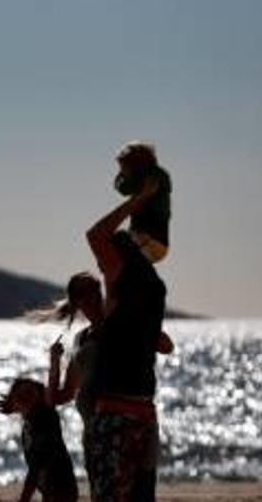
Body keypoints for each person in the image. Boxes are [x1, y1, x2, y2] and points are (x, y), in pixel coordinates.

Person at [78, 176, 168, 502]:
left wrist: (139, 199)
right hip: (144, 413)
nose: (101, 268)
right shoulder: (154, 290)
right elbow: (159, 342)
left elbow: (95, 234)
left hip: (117, 416)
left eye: (103, 262)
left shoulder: (121, 287)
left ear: (118, 260)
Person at [43, 273, 174, 486]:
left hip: (131, 426)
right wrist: (55, 363)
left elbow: (166, 346)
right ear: (76, 303)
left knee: (139, 493)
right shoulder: (81, 339)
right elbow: (62, 396)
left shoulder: (122, 322)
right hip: (96, 436)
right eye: (83, 295)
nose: (92, 299)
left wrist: (137, 318)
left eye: (95, 292)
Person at [0, 378, 79, 502]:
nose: (24, 397)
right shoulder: (30, 420)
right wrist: (14, 405)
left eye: (29, 393)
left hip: (61, 487)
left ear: (40, 398)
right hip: (50, 488)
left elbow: (35, 467)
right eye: (20, 394)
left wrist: (24, 498)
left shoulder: (46, 419)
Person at [113, 141, 172, 264]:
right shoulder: (150, 174)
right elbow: (122, 188)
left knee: (117, 254)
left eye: (124, 167)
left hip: (151, 241)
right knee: (115, 248)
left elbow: (123, 188)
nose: (123, 171)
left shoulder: (154, 176)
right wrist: (123, 172)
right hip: (150, 240)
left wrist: (124, 174)